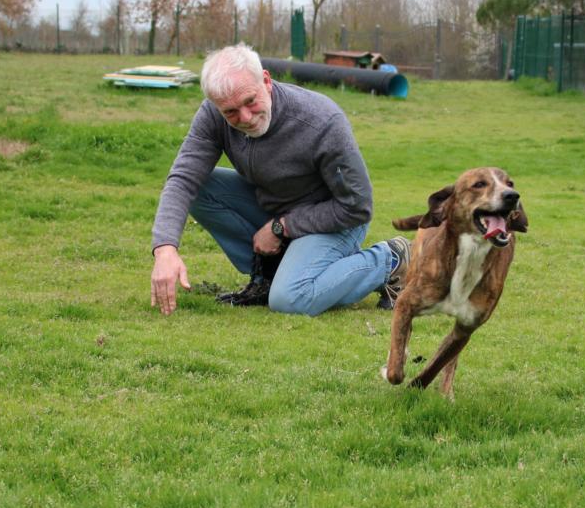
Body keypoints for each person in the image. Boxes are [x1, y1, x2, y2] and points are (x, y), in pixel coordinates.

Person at [150, 43, 409, 317]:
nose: (245, 118)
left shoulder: (322, 122)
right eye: (231, 112)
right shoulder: (214, 114)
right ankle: (267, 277)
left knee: (290, 299)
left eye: (250, 101)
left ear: (266, 80)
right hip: (276, 205)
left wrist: (281, 227)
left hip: (337, 219)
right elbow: (183, 179)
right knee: (201, 187)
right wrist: (165, 248)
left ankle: (389, 259)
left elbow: (358, 206)